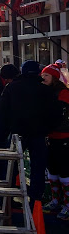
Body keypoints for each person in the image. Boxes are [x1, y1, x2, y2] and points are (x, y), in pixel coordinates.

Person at [0, 60, 59, 207]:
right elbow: (55, 113)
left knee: (11, 166)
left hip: (17, 133)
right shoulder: (45, 90)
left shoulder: (12, 87)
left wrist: (8, 128)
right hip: (38, 133)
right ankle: (35, 202)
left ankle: (6, 200)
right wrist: (48, 129)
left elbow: (1, 110)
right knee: (37, 168)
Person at [41, 64, 69, 220]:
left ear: (55, 77)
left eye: (47, 75)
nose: (43, 78)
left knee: (65, 171)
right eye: (42, 75)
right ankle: (56, 200)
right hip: (50, 136)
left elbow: (60, 114)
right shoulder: (46, 91)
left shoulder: (63, 92)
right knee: (52, 171)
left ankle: (67, 204)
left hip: (64, 136)